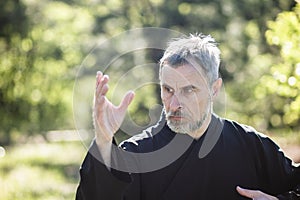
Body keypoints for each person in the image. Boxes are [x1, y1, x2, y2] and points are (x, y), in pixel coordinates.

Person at [76, 33, 300, 200]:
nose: (174, 104)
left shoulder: (251, 146)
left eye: (189, 90)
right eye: (168, 90)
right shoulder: (138, 154)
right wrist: (104, 141)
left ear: (214, 88)